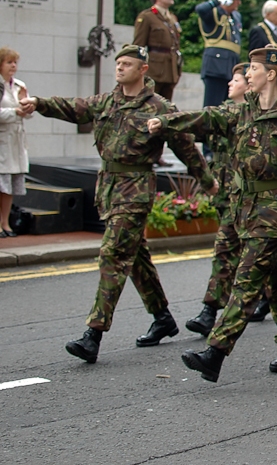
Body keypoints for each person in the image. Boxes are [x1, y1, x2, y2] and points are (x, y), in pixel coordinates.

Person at [19, 45, 216, 363]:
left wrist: (207, 184)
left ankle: (93, 334)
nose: (119, 68)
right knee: (134, 256)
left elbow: (185, 147)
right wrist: (38, 104)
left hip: (135, 190)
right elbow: (73, 107)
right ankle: (163, 319)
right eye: (118, 63)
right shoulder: (106, 102)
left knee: (112, 254)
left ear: (143, 69)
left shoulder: (159, 107)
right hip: (108, 189)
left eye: (127, 64)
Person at [149, 47, 277, 382]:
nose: (247, 74)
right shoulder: (242, 111)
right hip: (243, 206)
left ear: (272, 75)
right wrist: (165, 122)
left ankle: (215, 352)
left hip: (275, 208)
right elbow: (205, 119)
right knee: (271, 275)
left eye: (253, 69)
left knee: (247, 278)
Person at [184, 63, 249, 337]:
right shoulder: (223, 113)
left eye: (236, 80)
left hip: (248, 198)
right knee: (253, 259)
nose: (230, 84)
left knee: (228, 250)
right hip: (226, 194)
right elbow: (197, 124)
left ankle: (210, 311)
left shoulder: (249, 115)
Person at [132, 0, 182, 100]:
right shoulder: (147, 17)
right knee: (149, 104)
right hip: (154, 70)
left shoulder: (171, 18)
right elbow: (138, 45)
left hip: (171, 70)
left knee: (166, 108)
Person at [196, 0, 244, 110]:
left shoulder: (236, 16)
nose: (238, 3)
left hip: (231, 64)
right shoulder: (213, 12)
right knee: (212, 106)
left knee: (227, 107)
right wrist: (218, 1)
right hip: (216, 65)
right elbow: (200, 9)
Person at [0, 46, 30, 237]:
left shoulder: (20, 85)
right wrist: (14, 112)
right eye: (9, 62)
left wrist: (26, 106)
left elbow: (28, 115)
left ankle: (6, 222)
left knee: (9, 185)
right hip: (2, 139)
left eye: (15, 62)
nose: (13, 66)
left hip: (16, 141)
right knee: (0, 183)